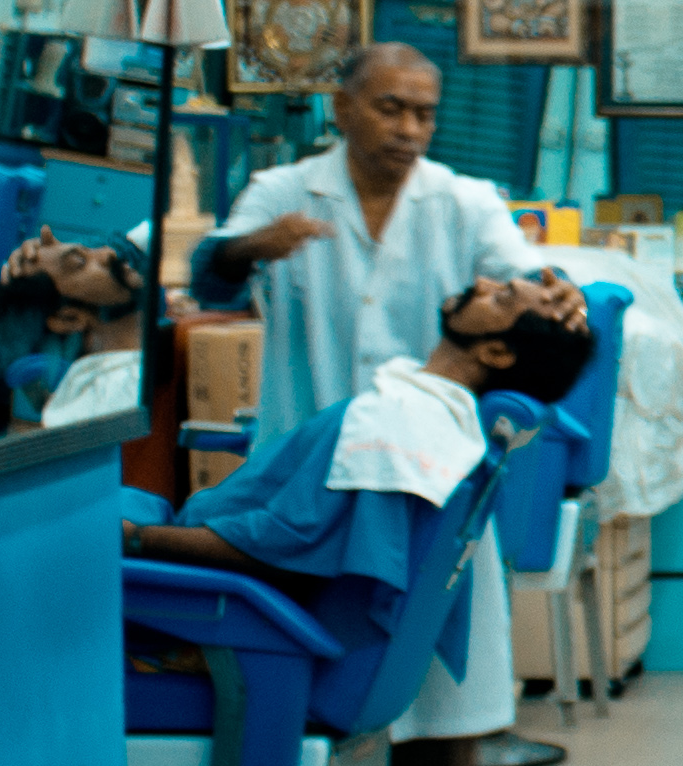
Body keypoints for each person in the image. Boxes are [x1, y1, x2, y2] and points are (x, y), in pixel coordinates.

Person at [121, 273, 597, 766]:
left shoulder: (394, 425)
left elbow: (285, 556)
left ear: (494, 349)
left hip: (224, 613)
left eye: (502, 297)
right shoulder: (425, 421)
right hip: (222, 571)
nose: (482, 280)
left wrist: (138, 539)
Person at [194, 43, 542, 457]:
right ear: (343, 109)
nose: (408, 130)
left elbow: (525, 277)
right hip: (301, 455)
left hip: (422, 459)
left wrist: (553, 290)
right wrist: (251, 247)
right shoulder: (283, 191)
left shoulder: (467, 204)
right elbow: (208, 284)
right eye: (390, 110)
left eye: (424, 115)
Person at [0, 232, 154, 430]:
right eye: (80, 261)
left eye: (90, 250)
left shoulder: (142, 366)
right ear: (68, 318)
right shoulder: (116, 399)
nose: (108, 252)